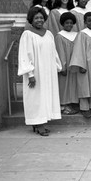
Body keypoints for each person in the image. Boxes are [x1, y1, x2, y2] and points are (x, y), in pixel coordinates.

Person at [18, 7, 62, 136]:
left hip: (47, 72)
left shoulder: (48, 34)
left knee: (45, 96)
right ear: (31, 19)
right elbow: (25, 55)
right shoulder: (27, 34)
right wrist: (30, 74)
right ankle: (39, 124)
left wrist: (56, 67)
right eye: (36, 18)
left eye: (41, 18)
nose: (39, 20)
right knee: (36, 97)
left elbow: (53, 53)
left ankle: (39, 123)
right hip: (35, 72)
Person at [69, 12, 91, 118]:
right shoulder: (82, 34)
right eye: (89, 20)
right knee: (84, 86)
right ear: (85, 22)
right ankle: (84, 108)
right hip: (85, 64)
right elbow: (78, 50)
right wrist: (80, 65)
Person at [54, 12, 79, 115]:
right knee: (64, 85)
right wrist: (62, 67)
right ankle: (63, 105)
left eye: (71, 23)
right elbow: (60, 52)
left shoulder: (76, 35)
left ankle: (73, 103)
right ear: (62, 24)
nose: (69, 25)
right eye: (66, 23)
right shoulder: (59, 36)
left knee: (74, 84)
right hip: (65, 65)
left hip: (74, 63)